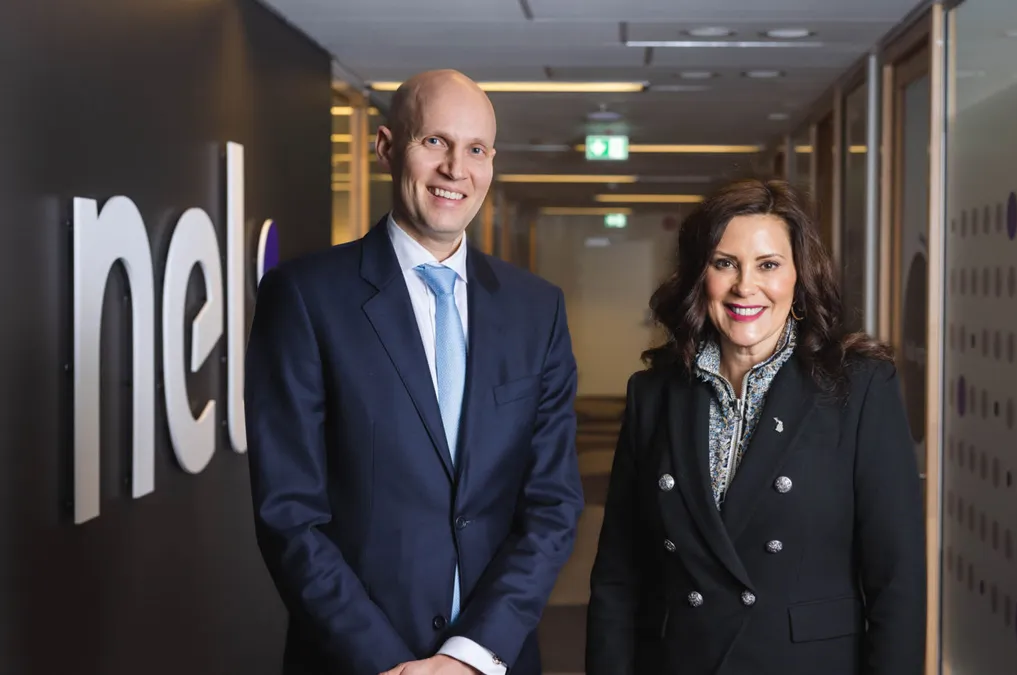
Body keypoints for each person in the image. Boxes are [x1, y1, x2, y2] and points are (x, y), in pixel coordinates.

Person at [245, 69, 584, 675]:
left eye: (476, 149)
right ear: (385, 147)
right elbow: (289, 516)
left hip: (494, 660)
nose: (457, 168)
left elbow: (553, 506)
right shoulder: (303, 298)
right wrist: (389, 664)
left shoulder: (537, 310)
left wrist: (469, 656)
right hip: (357, 660)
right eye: (435, 142)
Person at [585, 178, 925, 674]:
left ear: (798, 277)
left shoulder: (858, 389)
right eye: (725, 263)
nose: (746, 286)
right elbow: (618, 574)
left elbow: (897, 581)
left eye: (768, 264)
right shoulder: (654, 393)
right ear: (700, 275)